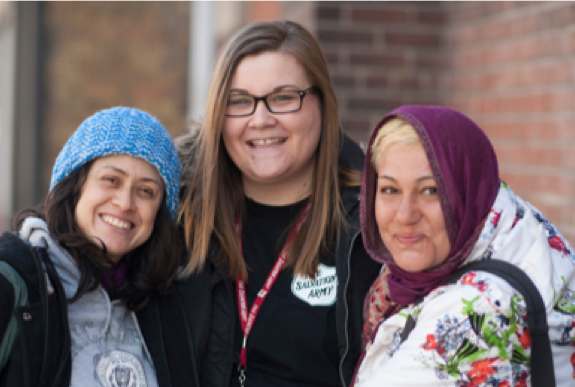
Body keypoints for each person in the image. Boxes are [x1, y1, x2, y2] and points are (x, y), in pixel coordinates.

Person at [176, 20, 381, 387]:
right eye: (239, 101)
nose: (260, 119)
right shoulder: (175, 209)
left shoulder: (375, 219)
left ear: (322, 103)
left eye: (283, 98)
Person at [353, 105, 575, 386]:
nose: (405, 215)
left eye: (430, 191)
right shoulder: (522, 234)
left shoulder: (474, 314)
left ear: (469, 193)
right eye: (390, 190)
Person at [0, 107, 200, 387]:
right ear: (74, 184)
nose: (125, 203)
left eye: (145, 191)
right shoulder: (12, 281)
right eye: (111, 180)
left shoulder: (166, 305)